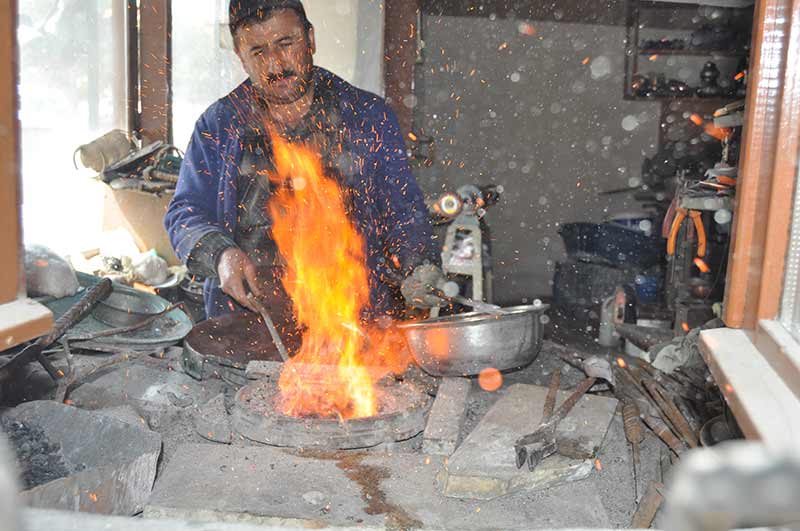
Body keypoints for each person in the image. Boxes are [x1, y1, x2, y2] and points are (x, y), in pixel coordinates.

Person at [164, 0, 445, 325]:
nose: (275, 64)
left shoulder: (367, 117)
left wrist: (419, 263)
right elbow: (184, 213)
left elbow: (403, 209)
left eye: (286, 44)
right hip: (249, 324)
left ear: (310, 39)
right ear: (241, 58)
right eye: (258, 51)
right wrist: (220, 254)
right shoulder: (218, 125)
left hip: (351, 322)